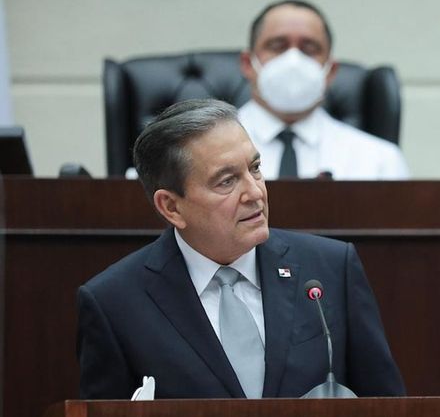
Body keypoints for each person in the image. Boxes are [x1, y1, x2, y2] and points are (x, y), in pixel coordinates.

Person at [77, 99, 405, 399]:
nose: (255, 192)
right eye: (227, 181)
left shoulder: (330, 269)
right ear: (172, 207)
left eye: (255, 168)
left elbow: (389, 412)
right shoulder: (115, 303)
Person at [237, 0, 409, 180]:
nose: (293, 60)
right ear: (247, 64)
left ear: (331, 71)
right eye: (278, 46)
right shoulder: (208, 151)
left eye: (309, 49)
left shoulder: (380, 162)